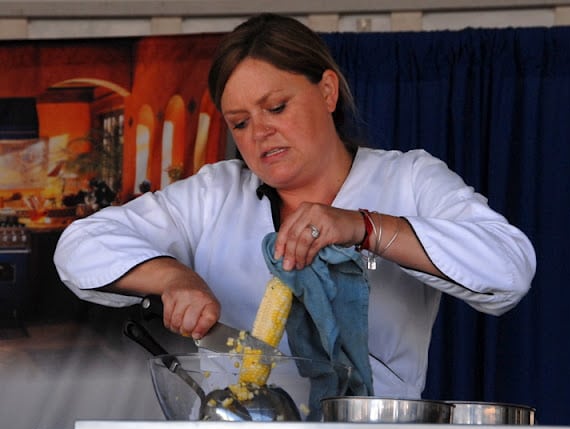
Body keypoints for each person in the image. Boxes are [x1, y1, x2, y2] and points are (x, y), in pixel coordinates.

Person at [54, 13, 536, 398]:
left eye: (276, 108)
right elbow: (79, 245)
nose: (260, 132)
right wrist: (174, 278)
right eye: (240, 122)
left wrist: (365, 228)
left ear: (327, 91)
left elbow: (509, 268)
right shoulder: (215, 193)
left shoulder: (407, 179)